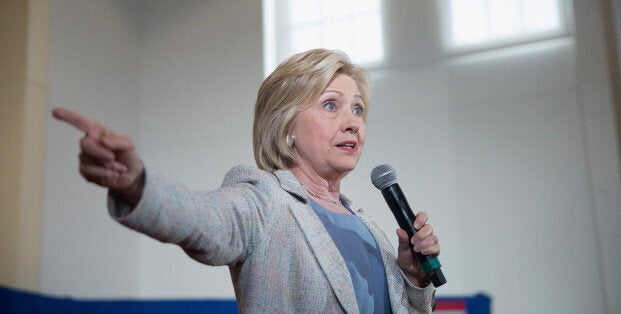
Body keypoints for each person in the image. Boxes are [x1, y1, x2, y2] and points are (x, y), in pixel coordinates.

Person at [53, 48, 441, 313]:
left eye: (358, 108)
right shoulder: (265, 199)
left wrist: (411, 275)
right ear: (286, 125)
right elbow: (203, 220)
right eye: (330, 105)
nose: (353, 120)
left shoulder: (365, 223)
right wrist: (136, 183)